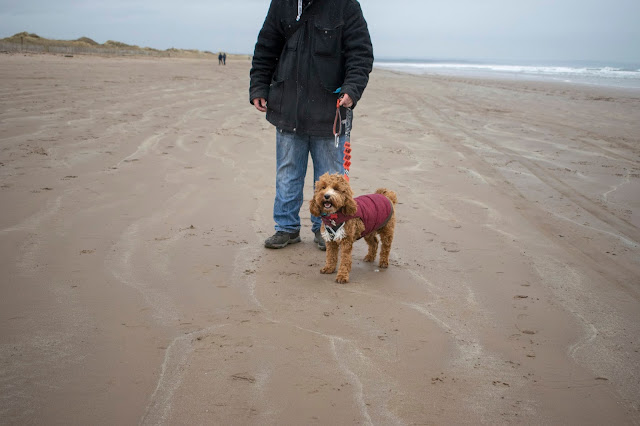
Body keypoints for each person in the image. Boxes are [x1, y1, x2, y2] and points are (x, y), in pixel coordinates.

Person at [250, 0, 373, 250]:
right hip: (287, 107)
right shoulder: (282, 4)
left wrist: (352, 90)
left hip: (331, 112)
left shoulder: (346, 5)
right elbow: (266, 47)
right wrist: (259, 87)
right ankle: (286, 228)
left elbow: (360, 54)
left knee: (330, 179)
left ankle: (325, 228)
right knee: (287, 173)